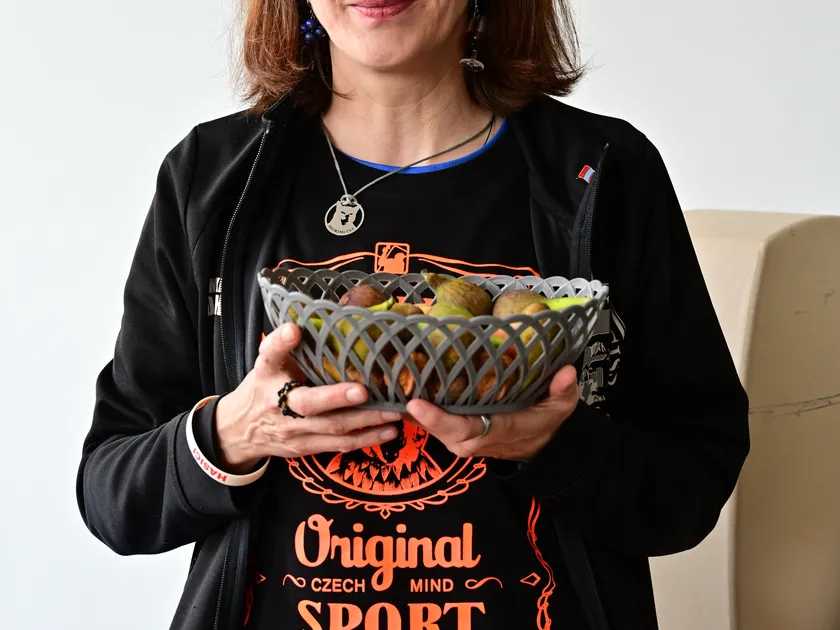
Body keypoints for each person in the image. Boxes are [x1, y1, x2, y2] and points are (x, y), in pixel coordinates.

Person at [75, 0, 750, 628]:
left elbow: (692, 486)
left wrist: (556, 446)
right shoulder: (210, 178)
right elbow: (113, 496)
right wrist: (232, 433)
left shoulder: (603, 172)